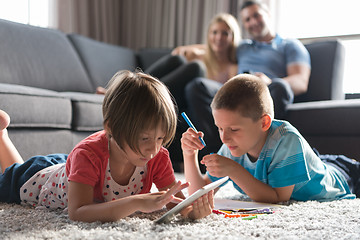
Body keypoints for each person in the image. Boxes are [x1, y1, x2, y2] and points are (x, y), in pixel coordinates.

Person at [0, 70, 214, 222]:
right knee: (13, 180)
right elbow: (78, 212)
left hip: (72, 169)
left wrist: (191, 212)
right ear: (111, 127)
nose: (153, 149)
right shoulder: (88, 155)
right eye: (145, 139)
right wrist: (136, 202)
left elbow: (175, 203)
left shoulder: (157, 157)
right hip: (41, 176)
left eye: (160, 138)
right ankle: (2, 135)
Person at [182, 74, 359, 203]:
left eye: (234, 129)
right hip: (308, 161)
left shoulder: (286, 138)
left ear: (264, 122)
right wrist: (189, 155)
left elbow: (277, 197)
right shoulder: (232, 145)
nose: (225, 138)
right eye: (219, 128)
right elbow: (201, 192)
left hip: (343, 174)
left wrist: (234, 170)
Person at [181, 0, 311, 158]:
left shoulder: (289, 46)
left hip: (268, 91)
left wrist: (268, 81)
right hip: (237, 91)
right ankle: (214, 154)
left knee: (280, 86)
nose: (253, 22)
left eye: (256, 15)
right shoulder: (242, 47)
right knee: (197, 85)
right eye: (247, 19)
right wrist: (185, 50)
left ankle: (264, 153)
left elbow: (300, 82)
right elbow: (214, 44)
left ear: (268, 15)